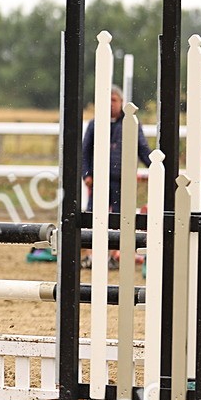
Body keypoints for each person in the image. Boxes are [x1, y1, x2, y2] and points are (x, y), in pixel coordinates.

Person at [82, 86, 152, 268]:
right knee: (93, 216)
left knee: (121, 218)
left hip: (122, 179)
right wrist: (87, 174)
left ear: (121, 102)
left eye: (114, 100)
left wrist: (157, 167)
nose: (111, 104)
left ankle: (113, 255)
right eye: (108, 100)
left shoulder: (132, 124)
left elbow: (143, 149)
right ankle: (91, 256)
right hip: (99, 179)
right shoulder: (95, 124)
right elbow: (85, 151)